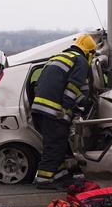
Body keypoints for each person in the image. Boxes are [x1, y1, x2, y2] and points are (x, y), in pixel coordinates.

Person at [31, 34, 96, 189]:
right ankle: (43, 180)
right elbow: (72, 88)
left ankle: (60, 176)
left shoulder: (57, 57)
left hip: (39, 108)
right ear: (89, 52)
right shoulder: (80, 61)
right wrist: (73, 106)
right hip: (54, 111)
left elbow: (48, 83)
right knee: (55, 146)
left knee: (56, 144)